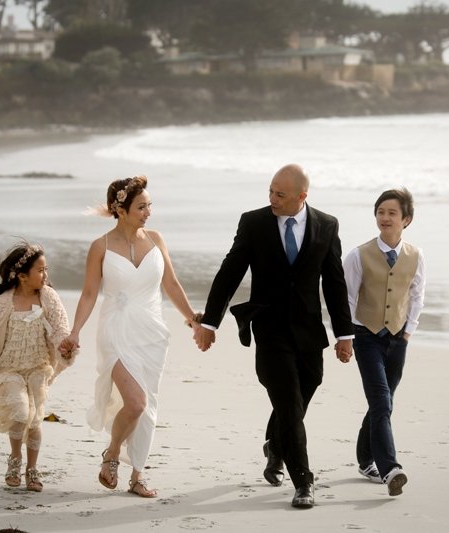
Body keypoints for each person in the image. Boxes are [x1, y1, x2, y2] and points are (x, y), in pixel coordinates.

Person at [194, 163, 354, 509]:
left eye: (280, 194)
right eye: (270, 191)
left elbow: (335, 282)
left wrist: (345, 333)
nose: (272, 198)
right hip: (270, 330)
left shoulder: (326, 225)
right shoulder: (253, 222)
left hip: (310, 331)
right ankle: (304, 482)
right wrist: (209, 322)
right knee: (289, 405)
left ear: (302, 196)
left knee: (307, 387)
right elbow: (230, 271)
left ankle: (275, 446)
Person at [58, 175, 200, 498]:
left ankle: (137, 475)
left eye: (150, 205)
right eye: (141, 207)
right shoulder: (100, 247)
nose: (148, 212)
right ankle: (112, 454)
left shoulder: (156, 239)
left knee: (149, 406)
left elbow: (172, 285)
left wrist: (193, 320)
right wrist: (75, 331)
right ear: (120, 210)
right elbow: (89, 293)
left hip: (151, 333)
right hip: (116, 331)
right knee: (136, 402)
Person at [0, 242, 76, 492]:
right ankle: (15, 459)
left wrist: (65, 347)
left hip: (38, 368)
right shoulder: (0, 302)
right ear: (22, 275)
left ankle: (32, 469)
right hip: (8, 370)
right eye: (40, 270)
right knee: (20, 413)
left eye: (46, 269)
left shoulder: (48, 298)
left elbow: (60, 329)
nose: (45, 275)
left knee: (34, 420)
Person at [342, 187, 426, 497]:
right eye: (381, 212)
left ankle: (365, 459)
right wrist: (346, 337)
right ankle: (390, 467)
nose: (385, 217)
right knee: (381, 401)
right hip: (366, 337)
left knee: (383, 402)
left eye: (392, 213)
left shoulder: (415, 256)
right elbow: (346, 298)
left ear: (407, 219)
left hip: (398, 339)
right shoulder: (358, 254)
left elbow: (417, 294)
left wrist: (408, 332)